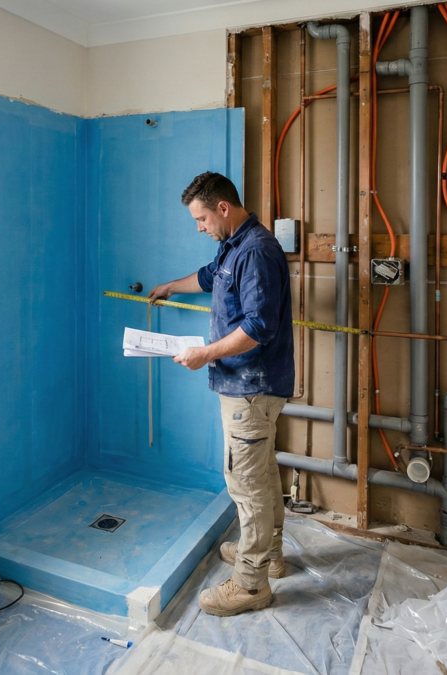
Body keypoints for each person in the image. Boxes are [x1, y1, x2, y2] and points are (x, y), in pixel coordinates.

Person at [149, 171, 294, 617]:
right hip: (247, 386)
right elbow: (210, 277)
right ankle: (268, 556)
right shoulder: (233, 246)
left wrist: (205, 353)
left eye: (201, 218)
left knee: (246, 485)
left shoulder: (257, 251)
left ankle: (251, 585)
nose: (200, 227)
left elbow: (258, 327)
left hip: (251, 386)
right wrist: (171, 286)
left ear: (223, 209)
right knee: (263, 474)